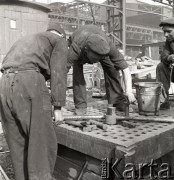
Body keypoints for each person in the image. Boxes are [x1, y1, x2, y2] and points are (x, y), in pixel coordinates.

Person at [0, 22, 68, 180]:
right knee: (41, 141)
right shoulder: (59, 41)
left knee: (17, 142)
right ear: (62, 35)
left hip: (4, 84)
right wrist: (57, 107)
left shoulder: (29, 40)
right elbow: (59, 71)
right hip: (29, 81)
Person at [67, 25, 136, 115]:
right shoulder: (76, 48)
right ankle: (81, 106)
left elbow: (125, 68)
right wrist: (57, 105)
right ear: (87, 50)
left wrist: (129, 91)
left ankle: (117, 101)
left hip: (97, 41)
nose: (97, 62)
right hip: (80, 42)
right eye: (95, 58)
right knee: (78, 75)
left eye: (100, 58)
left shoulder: (108, 46)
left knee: (112, 69)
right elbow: (62, 71)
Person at [156, 17, 174, 110]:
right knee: (161, 66)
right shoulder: (169, 41)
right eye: (164, 32)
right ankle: (167, 100)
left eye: (169, 31)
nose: (166, 35)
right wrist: (169, 57)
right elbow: (163, 57)